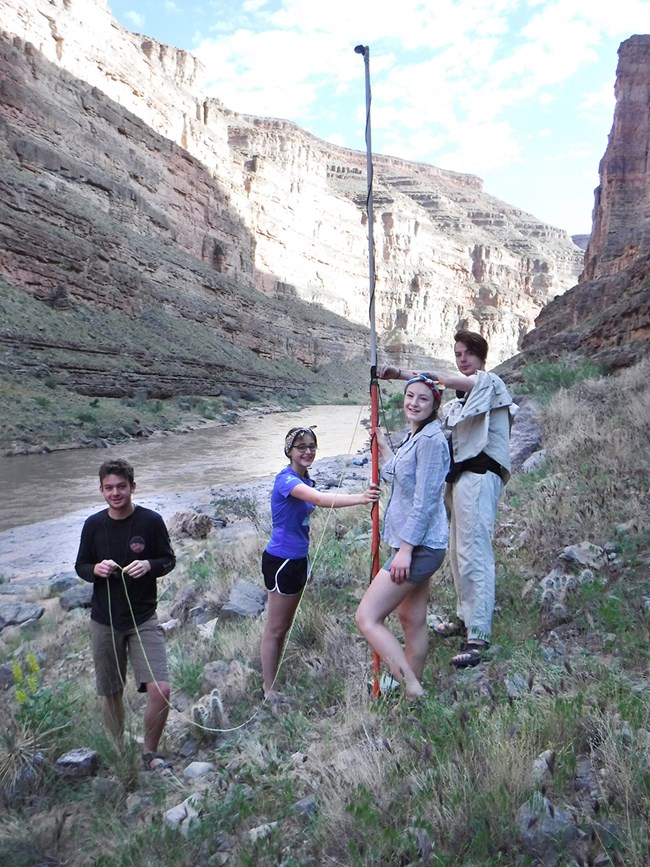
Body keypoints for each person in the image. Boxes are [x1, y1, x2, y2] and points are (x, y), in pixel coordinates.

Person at [378, 329, 516, 668]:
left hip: (480, 477)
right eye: (458, 353)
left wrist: (399, 373)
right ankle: (464, 617)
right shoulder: (457, 404)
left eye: (468, 353)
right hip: (460, 480)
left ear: (481, 356)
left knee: (474, 551)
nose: (463, 359)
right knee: (457, 551)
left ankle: (478, 635)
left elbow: (433, 381)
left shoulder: (490, 383)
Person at [261, 426, 379, 699]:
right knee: (275, 628)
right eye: (301, 447)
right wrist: (361, 498)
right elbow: (319, 500)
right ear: (289, 451)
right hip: (282, 560)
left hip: (298, 559)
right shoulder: (286, 481)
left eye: (311, 446)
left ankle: (272, 681)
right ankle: (269, 690)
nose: (308, 451)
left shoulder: (305, 479)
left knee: (283, 628)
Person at [75, 458, 176, 770]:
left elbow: (168, 559)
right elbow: (80, 566)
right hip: (103, 621)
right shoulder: (93, 525)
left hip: (143, 619)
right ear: (101, 490)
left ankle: (149, 753)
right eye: (109, 488)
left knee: (161, 689)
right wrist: (95, 569)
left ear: (133, 487)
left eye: (121, 487)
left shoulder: (151, 521)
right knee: (111, 692)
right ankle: (118, 751)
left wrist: (149, 565)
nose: (115, 493)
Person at [355, 375, 449, 700]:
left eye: (423, 399)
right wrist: (382, 444)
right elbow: (401, 476)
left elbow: (424, 502)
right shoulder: (416, 435)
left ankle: (411, 685)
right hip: (415, 543)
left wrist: (405, 551)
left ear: (435, 404)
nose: (414, 403)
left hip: (419, 547)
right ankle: (414, 692)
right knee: (412, 619)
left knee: (367, 616)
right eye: (410, 396)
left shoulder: (432, 441)